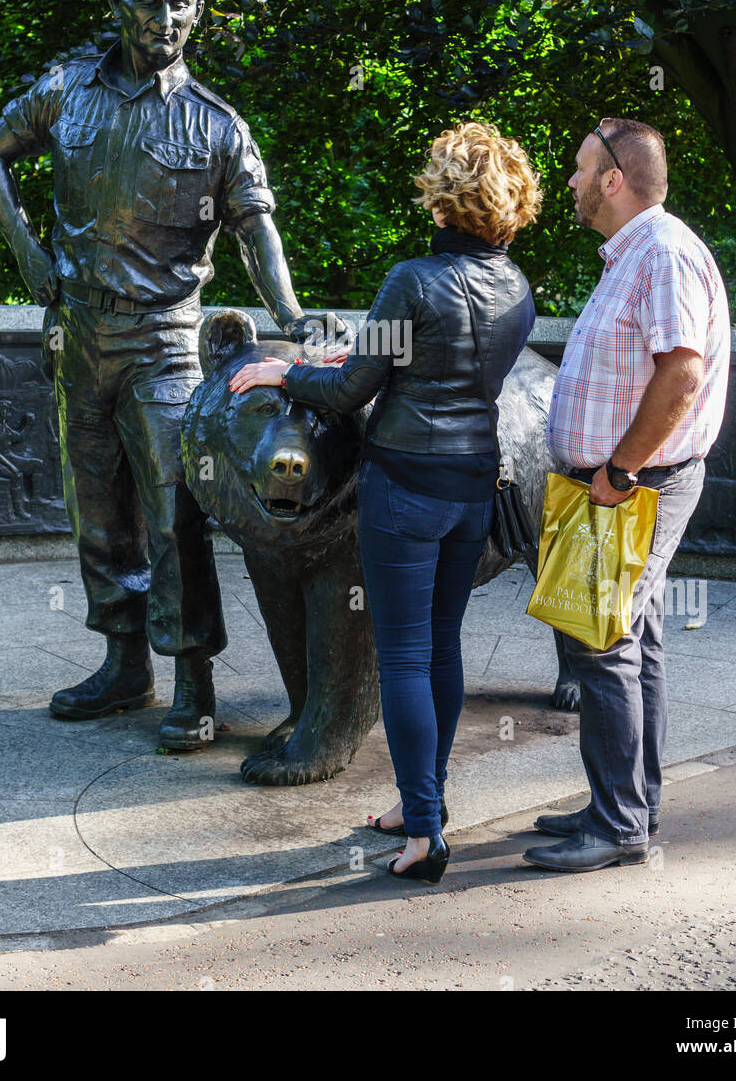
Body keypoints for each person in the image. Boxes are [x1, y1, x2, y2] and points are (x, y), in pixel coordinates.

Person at [0, 0, 337, 750]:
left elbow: (255, 228)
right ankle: (124, 663)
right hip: (78, 333)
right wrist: (27, 251)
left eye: (182, 3)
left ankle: (193, 682)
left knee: (173, 512)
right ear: (119, 2)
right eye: (152, 0)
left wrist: (293, 313)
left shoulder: (215, 124)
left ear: (196, 13)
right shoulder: (65, 93)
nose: (166, 18)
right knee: (95, 510)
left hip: (165, 339)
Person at [230, 121, 541, 882]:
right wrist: (363, 357)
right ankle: (418, 806)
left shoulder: (414, 280)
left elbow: (347, 391)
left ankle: (425, 833)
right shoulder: (517, 288)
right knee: (441, 648)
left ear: (444, 201)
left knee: (401, 656)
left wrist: (281, 374)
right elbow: (440, 369)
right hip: (474, 482)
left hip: (404, 486)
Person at [524, 117, 730, 873]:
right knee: (631, 642)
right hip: (623, 481)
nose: (572, 182)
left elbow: (682, 373)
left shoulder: (664, 253)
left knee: (603, 645)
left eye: (581, 170)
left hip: (632, 483)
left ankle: (618, 826)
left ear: (614, 179)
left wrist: (618, 472)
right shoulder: (637, 255)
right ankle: (624, 800)